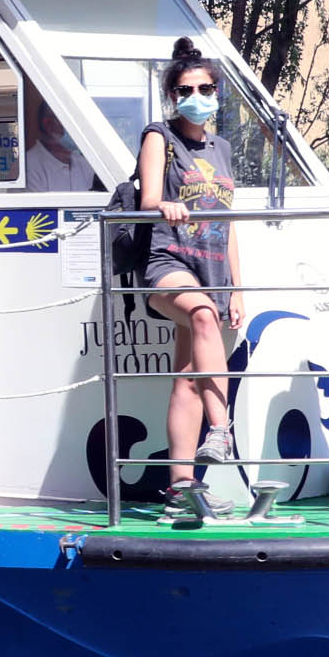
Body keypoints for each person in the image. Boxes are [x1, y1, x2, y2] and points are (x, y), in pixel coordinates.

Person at [137, 39, 243, 523]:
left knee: (186, 377)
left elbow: (230, 222)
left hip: (212, 267)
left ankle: (181, 487)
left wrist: (236, 287)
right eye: (185, 90)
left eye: (204, 88)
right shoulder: (159, 136)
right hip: (169, 259)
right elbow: (147, 201)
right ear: (172, 96)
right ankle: (221, 429)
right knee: (201, 314)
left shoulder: (222, 148)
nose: (196, 96)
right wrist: (165, 204)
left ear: (216, 92)